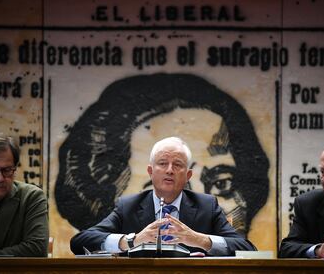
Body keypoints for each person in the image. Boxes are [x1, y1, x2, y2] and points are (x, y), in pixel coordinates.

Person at [56, 73, 269, 238]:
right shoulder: (125, 209)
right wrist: (130, 241)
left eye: (222, 183)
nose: (195, 200)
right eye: (162, 182)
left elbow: (242, 245)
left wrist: (203, 241)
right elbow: (84, 239)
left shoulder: (210, 209)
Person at [70, 137, 256, 256]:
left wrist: (199, 240)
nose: (169, 170)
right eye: (162, 163)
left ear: (188, 175)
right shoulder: (129, 206)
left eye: (177, 164)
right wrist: (132, 241)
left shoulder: (206, 206)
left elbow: (247, 249)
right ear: (151, 172)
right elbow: (80, 242)